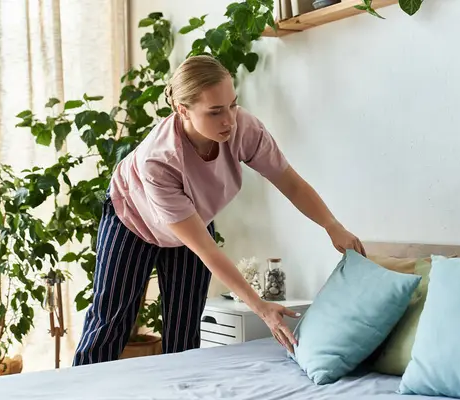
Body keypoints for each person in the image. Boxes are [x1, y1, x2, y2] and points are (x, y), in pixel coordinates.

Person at [72, 55, 365, 366]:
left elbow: (289, 182)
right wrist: (262, 308)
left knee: (185, 329)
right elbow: (208, 251)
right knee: (111, 321)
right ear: (181, 110)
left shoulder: (244, 129)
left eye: (232, 105)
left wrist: (332, 225)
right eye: (215, 112)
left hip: (193, 219)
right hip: (132, 219)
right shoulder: (158, 160)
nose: (229, 120)